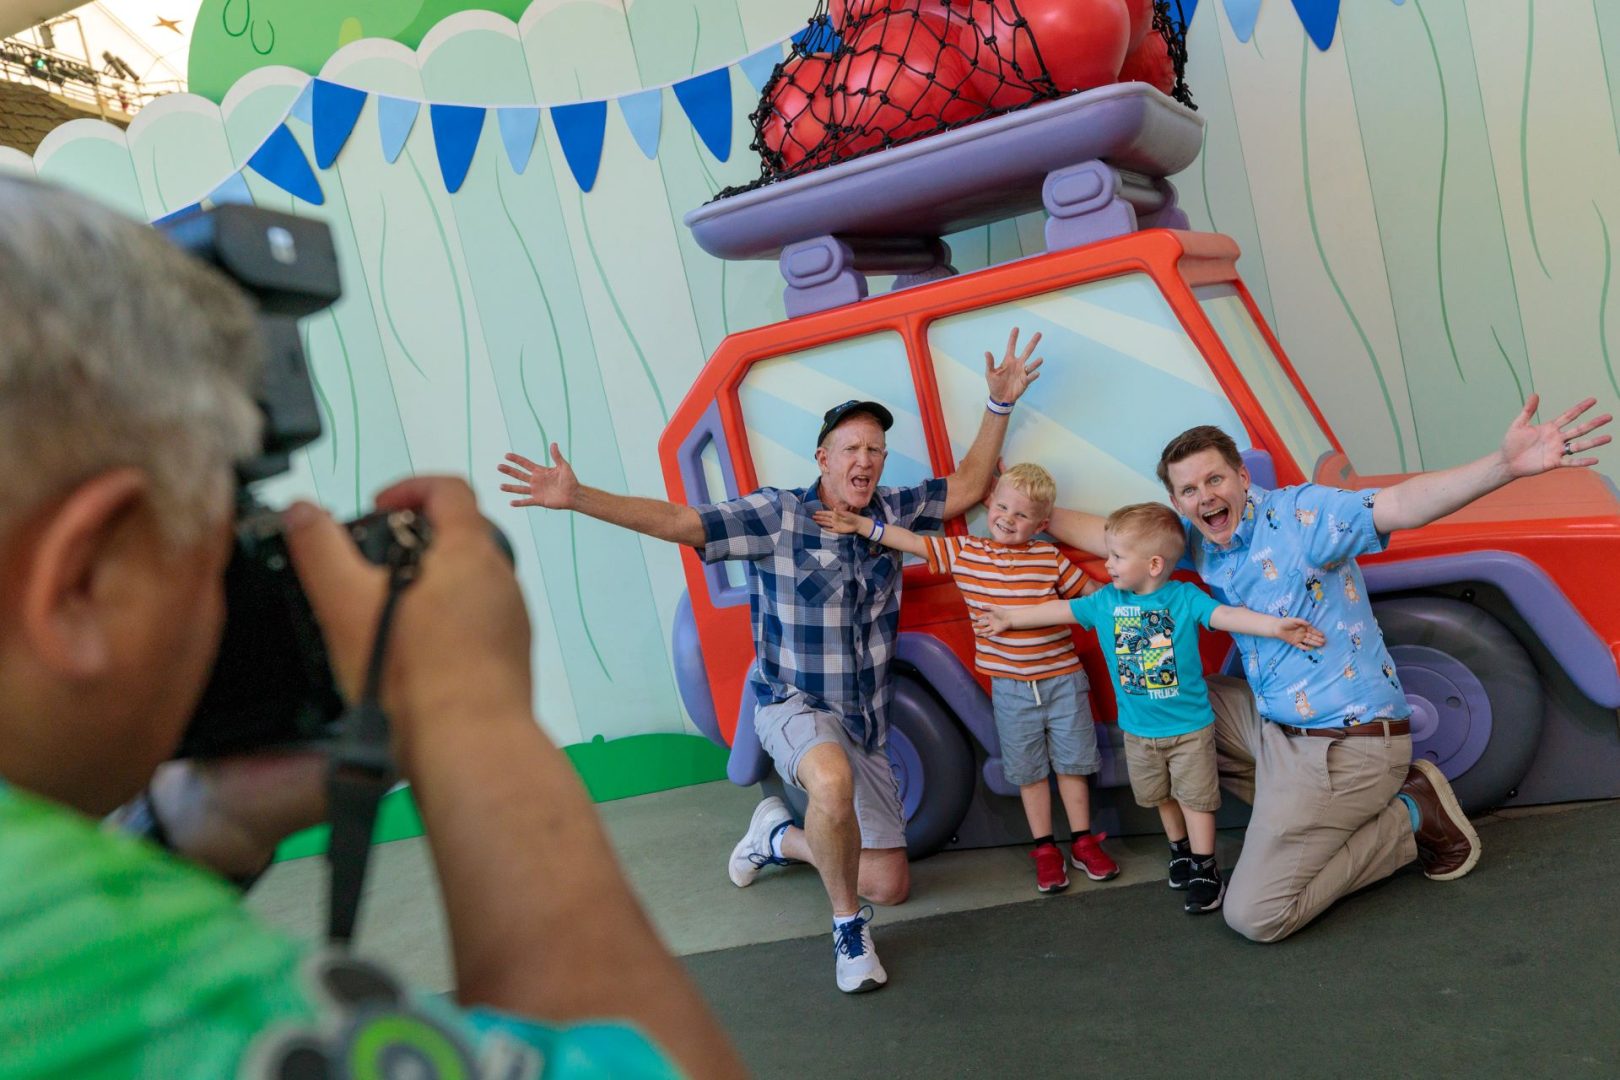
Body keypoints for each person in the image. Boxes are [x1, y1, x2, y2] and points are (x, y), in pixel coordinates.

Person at [0, 175, 744, 1078]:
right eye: (221, 544)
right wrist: (466, 710)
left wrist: (191, 831)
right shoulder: (139, 993)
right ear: (81, 580)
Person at [499, 330, 1043, 993]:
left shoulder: (892, 510)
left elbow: (964, 488)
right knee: (831, 785)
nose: (866, 459)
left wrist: (998, 406)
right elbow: (678, 520)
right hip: (793, 703)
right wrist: (580, 497)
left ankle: (777, 836)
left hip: (864, 719)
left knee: (890, 883)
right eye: (852, 448)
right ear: (824, 457)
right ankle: (848, 934)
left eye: (876, 448)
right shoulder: (776, 515)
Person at [1048, 410, 1612, 942]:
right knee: (1165, 710)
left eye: (1215, 479)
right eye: (1189, 491)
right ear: (1176, 502)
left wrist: (1505, 466)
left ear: (1242, 477)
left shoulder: (1302, 517)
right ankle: (1303, 812)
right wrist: (1026, 510)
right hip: (1274, 727)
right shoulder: (1199, 540)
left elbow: (1399, 505)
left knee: (1256, 915)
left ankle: (1411, 814)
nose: (1205, 497)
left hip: (1345, 743)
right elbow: (1112, 537)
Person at [976, 502, 1325, 915]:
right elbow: (1061, 610)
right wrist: (1009, 618)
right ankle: (1179, 851)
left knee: (1196, 799)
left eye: (1118, 557)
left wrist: (1274, 626)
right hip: (1139, 732)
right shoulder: (1106, 601)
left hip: (1190, 729)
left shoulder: (1183, 598)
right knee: (1160, 796)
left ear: (1154, 564)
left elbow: (1228, 615)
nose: (1108, 564)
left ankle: (1204, 867)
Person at [813, 462, 1122, 895]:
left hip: (1064, 681)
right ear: (989, 504)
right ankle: (1046, 847)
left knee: (1073, 765)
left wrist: (1134, 597)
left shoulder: (1048, 558)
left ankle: (1084, 840)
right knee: (1030, 772)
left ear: (1042, 523)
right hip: (1012, 690)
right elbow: (913, 542)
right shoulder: (969, 553)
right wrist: (862, 524)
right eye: (1002, 507)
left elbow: (1093, 595)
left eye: (1022, 515)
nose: (1008, 520)